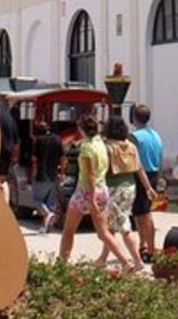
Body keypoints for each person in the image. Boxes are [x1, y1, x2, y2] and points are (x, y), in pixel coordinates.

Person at [59, 113, 134, 271]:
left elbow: (90, 174)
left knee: (69, 229)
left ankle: (62, 263)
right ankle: (125, 262)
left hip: (86, 191)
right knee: (104, 232)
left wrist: (91, 198)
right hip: (103, 189)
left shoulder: (86, 147)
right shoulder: (101, 143)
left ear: (81, 129)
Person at [96, 115, 155, 272]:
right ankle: (102, 258)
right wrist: (148, 187)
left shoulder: (106, 146)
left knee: (123, 226)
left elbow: (101, 170)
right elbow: (140, 168)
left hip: (113, 188)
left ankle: (136, 260)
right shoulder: (130, 146)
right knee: (113, 225)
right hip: (130, 187)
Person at [130, 103, 164, 260]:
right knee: (138, 213)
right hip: (155, 173)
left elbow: (135, 162)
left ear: (134, 117)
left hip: (141, 175)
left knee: (145, 214)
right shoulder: (156, 135)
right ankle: (143, 244)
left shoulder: (135, 137)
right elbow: (161, 158)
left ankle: (150, 248)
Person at [29, 119, 63, 232]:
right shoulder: (57, 139)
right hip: (53, 174)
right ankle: (45, 227)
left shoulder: (38, 141)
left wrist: (32, 173)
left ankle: (48, 215)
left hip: (41, 174)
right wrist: (62, 172)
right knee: (49, 202)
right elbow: (63, 158)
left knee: (36, 200)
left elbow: (34, 159)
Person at [0, 97, 18, 204]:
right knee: (3, 180)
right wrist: (15, 158)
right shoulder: (10, 119)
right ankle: (5, 203)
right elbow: (17, 142)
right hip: (7, 153)